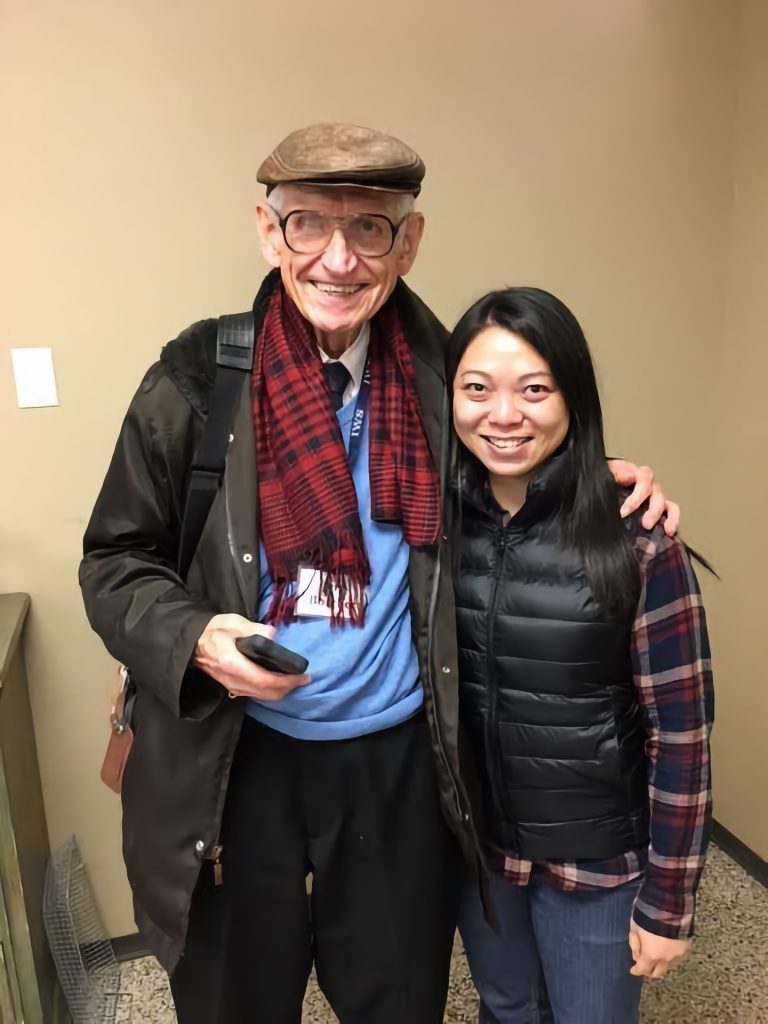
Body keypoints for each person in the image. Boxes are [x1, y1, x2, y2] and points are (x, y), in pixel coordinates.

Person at [79, 124, 675, 1024]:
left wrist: (603, 483)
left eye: (370, 229)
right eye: (308, 224)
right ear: (267, 230)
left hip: (400, 761)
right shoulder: (199, 378)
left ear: (410, 241)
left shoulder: (446, 374)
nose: (338, 259)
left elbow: (522, 452)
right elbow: (114, 560)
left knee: (397, 998)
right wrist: (194, 636)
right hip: (237, 760)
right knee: (236, 998)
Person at [447, 287, 713, 1024]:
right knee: (504, 1007)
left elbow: (682, 735)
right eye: (478, 389)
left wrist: (669, 897)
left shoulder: (637, 537)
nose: (504, 415)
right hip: (481, 853)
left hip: (595, 863)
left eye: (535, 389)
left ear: (573, 398)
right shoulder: (432, 527)